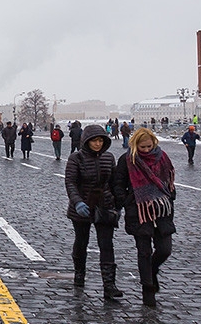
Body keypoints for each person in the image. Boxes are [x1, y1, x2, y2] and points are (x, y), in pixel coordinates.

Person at [113, 127, 175, 308]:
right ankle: (148, 291)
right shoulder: (127, 160)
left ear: (154, 143)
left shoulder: (162, 157)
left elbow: (169, 180)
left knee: (165, 249)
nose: (146, 150)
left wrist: (170, 197)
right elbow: (118, 184)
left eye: (149, 146)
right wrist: (126, 201)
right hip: (138, 211)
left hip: (162, 211)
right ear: (135, 145)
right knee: (144, 252)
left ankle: (153, 270)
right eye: (142, 147)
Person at [64, 124, 123, 301]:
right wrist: (78, 202)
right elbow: (70, 183)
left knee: (106, 245)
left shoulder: (109, 157)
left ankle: (109, 285)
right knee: (82, 242)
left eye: (100, 141)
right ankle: (79, 273)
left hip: (104, 205)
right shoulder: (76, 158)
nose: (97, 144)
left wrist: (117, 205)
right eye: (94, 141)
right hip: (82, 206)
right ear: (86, 141)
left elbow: (113, 182)